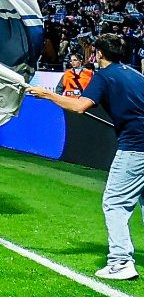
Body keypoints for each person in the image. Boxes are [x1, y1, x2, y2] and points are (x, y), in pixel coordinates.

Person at [29, 33, 144, 281]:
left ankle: (120, 261)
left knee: (115, 203)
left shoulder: (104, 76)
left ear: (99, 54)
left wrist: (46, 94)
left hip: (135, 148)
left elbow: (79, 106)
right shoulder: (136, 75)